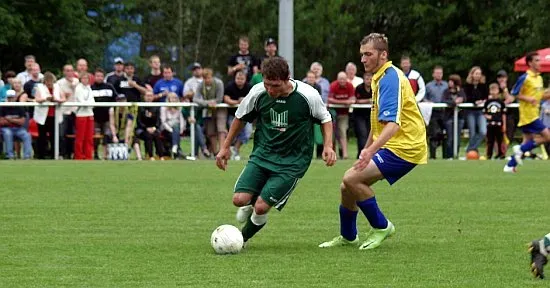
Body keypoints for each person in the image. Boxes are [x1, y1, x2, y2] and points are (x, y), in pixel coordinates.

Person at [319, 33, 427, 250]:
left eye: (368, 54)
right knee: (346, 186)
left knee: (352, 179)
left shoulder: (389, 78)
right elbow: (378, 123)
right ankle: (348, 236)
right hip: (392, 143)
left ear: (383, 54)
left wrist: (370, 151)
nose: (363, 59)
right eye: (361, 55)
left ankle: (382, 226)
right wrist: (367, 148)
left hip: (406, 146)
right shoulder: (378, 77)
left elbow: (393, 125)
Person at [215, 57, 336, 246]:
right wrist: (224, 148)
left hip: (293, 161)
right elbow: (240, 118)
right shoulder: (258, 92)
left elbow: (325, 119)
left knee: (262, 207)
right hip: (263, 154)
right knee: (239, 200)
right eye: (267, 84)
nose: (270, 90)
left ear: (287, 78)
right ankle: (252, 203)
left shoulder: (307, 95)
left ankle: (241, 239)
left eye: (275, 85)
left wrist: (328, 146)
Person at [504, 51, 550, 172]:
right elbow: (514, 93)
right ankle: (520, 149)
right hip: (528, 115)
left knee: (527, 141)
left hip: (534, 113)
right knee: (547, 137)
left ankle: (509, 166)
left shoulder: (539, 78)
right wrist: (527, 98)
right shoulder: (525, 78)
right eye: (537, 60)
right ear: (530, 63)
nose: (540, 62)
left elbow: (540, 96)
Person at [0, 90, 33, 159]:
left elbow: (22, 122)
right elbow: (2, 122)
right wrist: (16, 120)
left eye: (12, 97)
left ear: (15, 98)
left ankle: (27, 156)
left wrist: (9, 119)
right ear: (7, 98)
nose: (11, 99)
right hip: (6, 128)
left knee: (27, 135)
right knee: (7, 133)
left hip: (19, 129)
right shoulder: (2, 106)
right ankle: (10, 156)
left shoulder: (20, 107)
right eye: (9, 98)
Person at [74, 73, 95, 160]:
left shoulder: (89, 88)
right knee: (80, 137)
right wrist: (87, 104)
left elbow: (92, 102)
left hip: (89, 114)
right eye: (84, 78)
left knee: (89, 137)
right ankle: (78, 156)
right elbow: (81, 101)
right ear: (80, 79)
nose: (85, 80)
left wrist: (88, 104)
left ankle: (88, 156)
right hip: (81, 114)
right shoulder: (78, 88)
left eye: (87, 78)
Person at [483, 83, 507, 159]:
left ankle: (501, 154)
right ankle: (489, 155)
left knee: (500, 140)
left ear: (498, 91)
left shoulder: (501, 102)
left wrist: (504, 124)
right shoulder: (487, 102)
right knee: (490, 140)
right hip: (490, 124)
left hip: (499, 124)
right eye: (492, 90)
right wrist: (488, 116)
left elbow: (503, 114)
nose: (493, 91)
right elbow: (484, 112)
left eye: (495, 89)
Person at [353, 72, 373, 159]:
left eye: (370, 79)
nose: (368, 81)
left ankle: (369, 154)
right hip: (359, 115)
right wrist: (368, 100)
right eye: (367, 79)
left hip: (371, 114)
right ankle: (360, 154)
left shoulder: (375, 88)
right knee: (362, 133)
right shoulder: (359, 88)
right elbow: (356, 100)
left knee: (370, 134)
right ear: (364, 80)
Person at [160, 92, 185, 158]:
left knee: (176, 127)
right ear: (168, 99)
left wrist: (181, 129)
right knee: (175, 129)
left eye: (175, 98)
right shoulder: (163, 108)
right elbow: (163, 121)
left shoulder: (180, 108)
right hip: (166, 128)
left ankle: (175, 147)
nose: (174, 100)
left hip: (177, 128)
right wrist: (171, 130)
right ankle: (177, 149)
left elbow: (182, 120)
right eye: (172, 98)